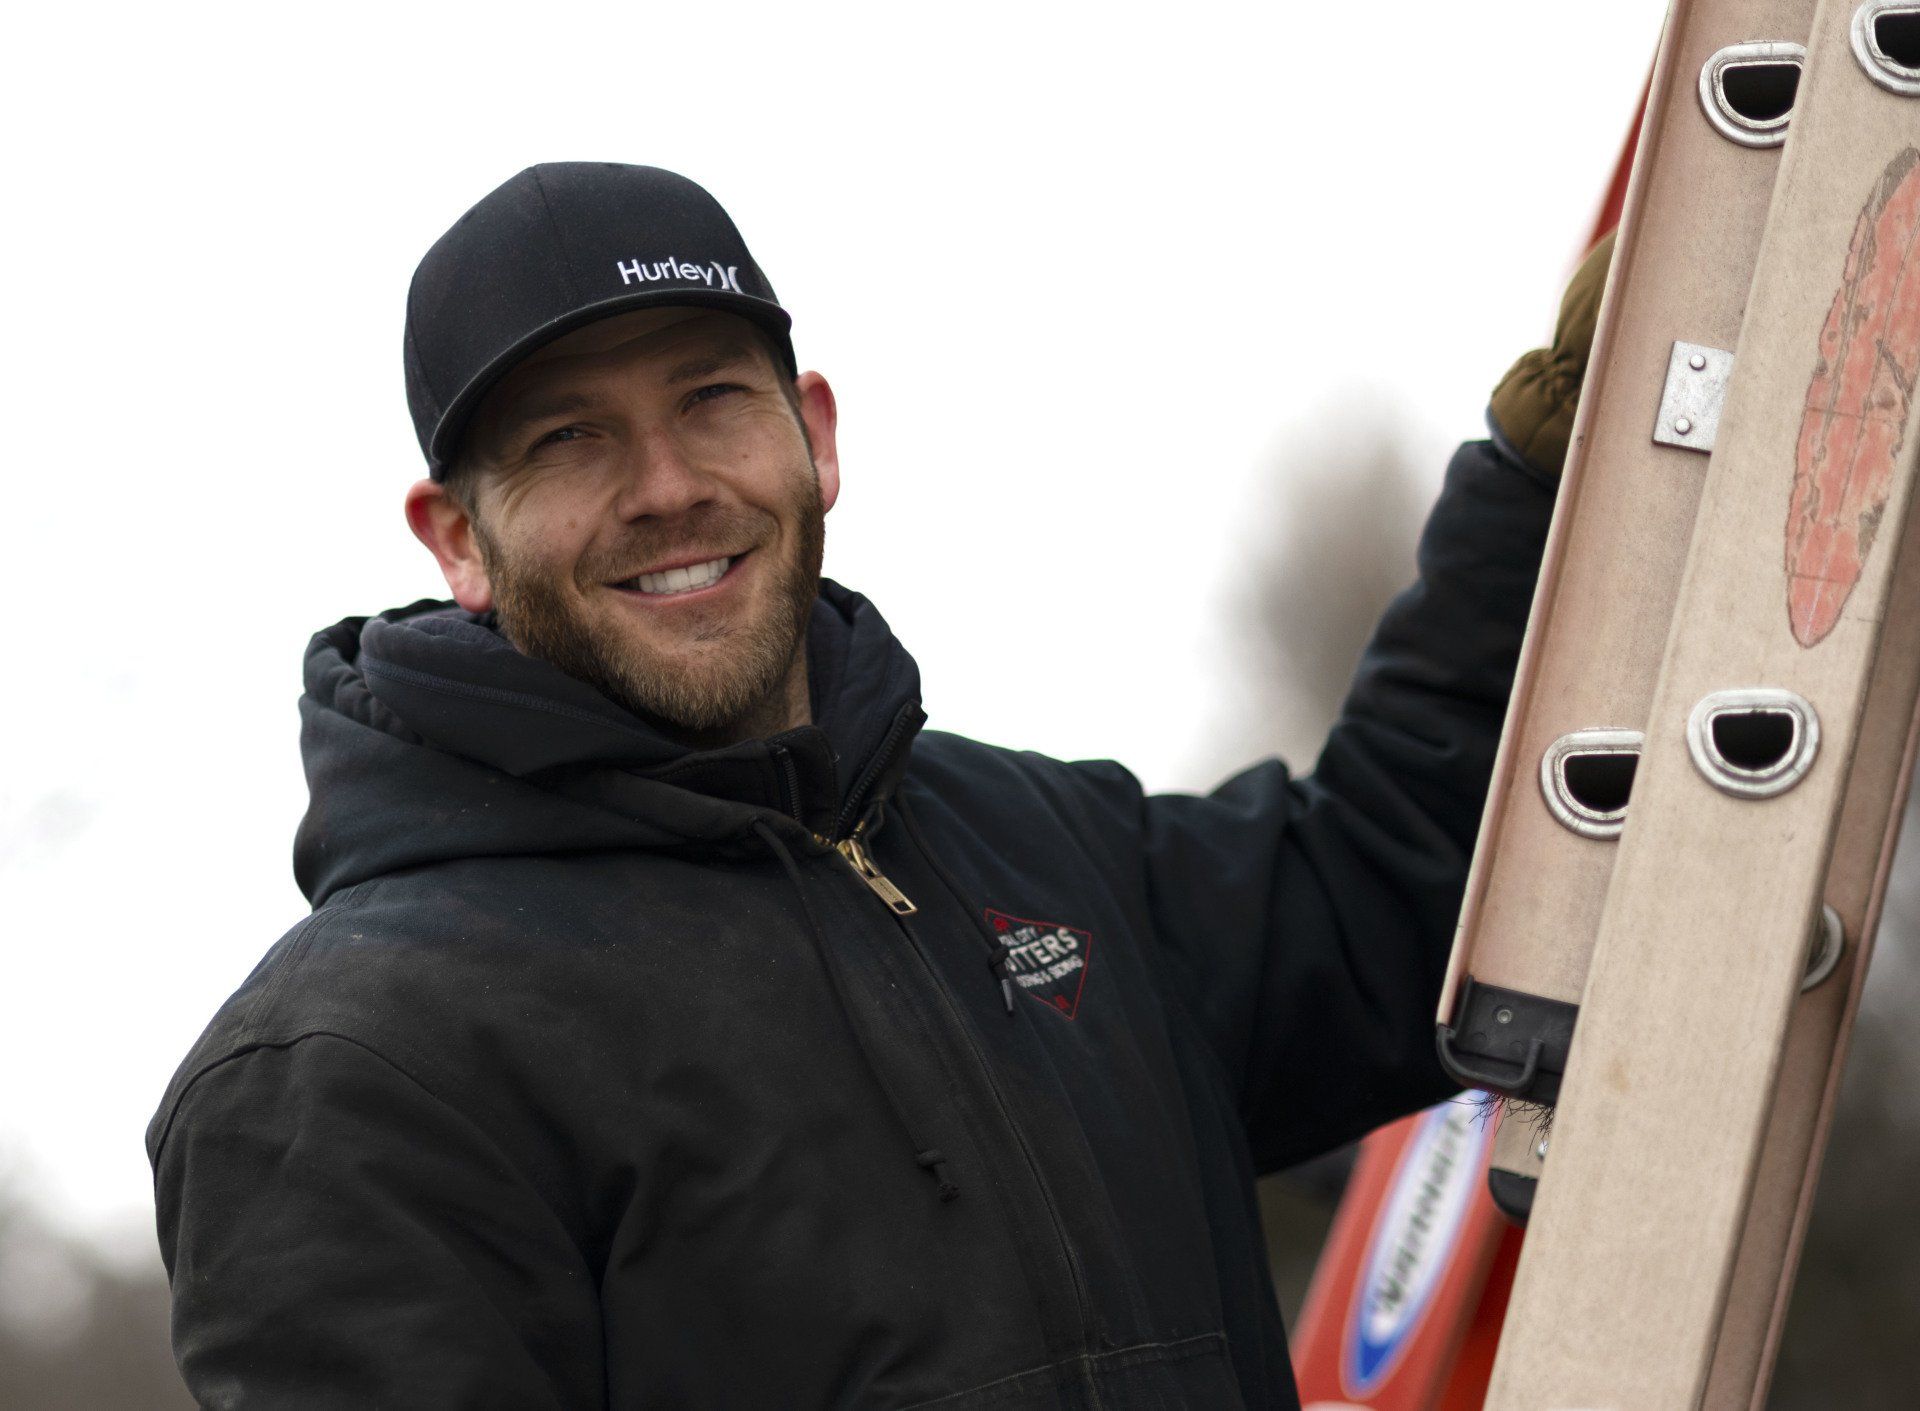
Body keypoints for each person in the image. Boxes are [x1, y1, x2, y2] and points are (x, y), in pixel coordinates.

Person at [148, 161, 1606, 1409]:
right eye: (568, 440)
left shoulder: (1046, 849)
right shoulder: (347, 1069)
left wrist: (1556, 473)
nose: (668, 485)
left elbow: (1394, 888)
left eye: (711, 399)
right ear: (457, 540)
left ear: (816, 435)